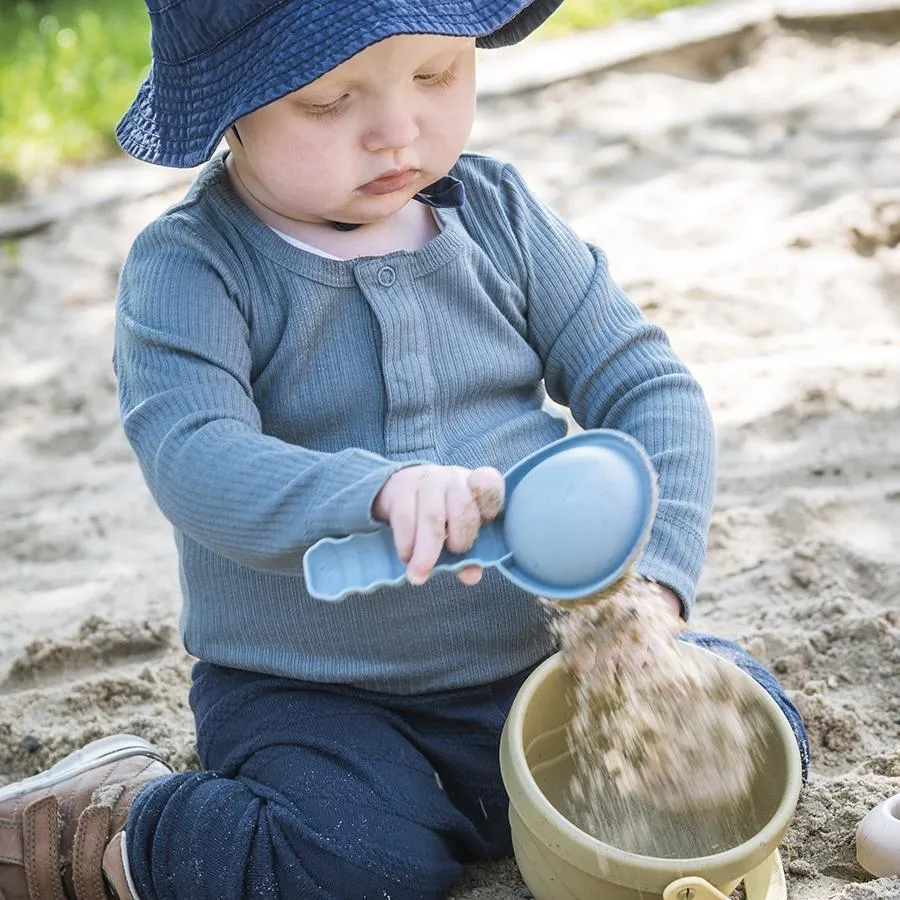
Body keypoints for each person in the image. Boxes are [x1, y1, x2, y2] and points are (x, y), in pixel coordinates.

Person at [0, 2, 810, 898]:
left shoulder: (499, 218)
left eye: (435, 75)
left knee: (754, 731)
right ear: (228, 108)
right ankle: (127, 824)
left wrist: (653, 583)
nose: (397, 132)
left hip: (545, 659)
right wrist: (377, 495)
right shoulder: (195, 267)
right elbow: (194, 457)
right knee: (354, 866)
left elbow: (647, 386)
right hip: (320, 696)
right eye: (327, 100)